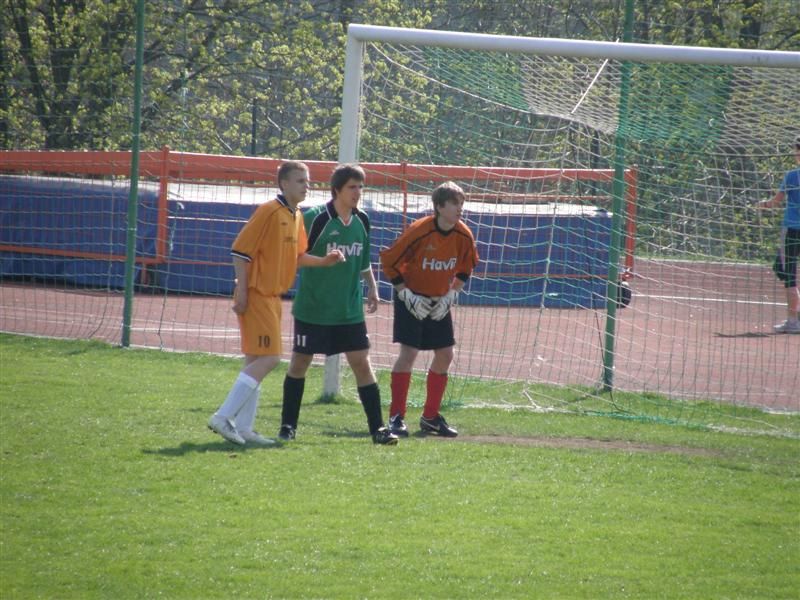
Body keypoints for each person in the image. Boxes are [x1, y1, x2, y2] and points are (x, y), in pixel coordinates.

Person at [208, 161, 345, 446]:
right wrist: (242, 290)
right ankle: (222, 416)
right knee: (271, 359)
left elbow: (298, 257)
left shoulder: (296, 216)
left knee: (254, 360)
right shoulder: (269, 211)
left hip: (273, 297)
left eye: (308, 181)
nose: (306, 186)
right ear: (283, 184)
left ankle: (244, 428)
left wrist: (324, 261)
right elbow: (240, 251)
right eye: (300, 181)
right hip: (258, 294)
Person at [278, 164, 398, 445]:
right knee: (300, 363)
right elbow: (294, 257)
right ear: (337, 190)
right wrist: (323, 261)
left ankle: (378, 429)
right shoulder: (315, 218)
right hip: (314, 308)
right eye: (352, 187)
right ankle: (287, 426)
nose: (358, 192)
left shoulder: (362, 220)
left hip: (349, 310)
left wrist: (372, 286)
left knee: (362, 364)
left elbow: (363, 260)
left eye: (361, 187)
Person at [380, 181, 479, 438]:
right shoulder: (419, 231)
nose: (460, 208)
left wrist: (452, 294)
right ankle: (396, 417)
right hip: (411, 297)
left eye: (462, 203)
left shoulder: (463, 234)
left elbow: (467, 266)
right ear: (439, 206)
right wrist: (405, 293)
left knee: (445, 354)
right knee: (409, 353)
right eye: (454, 203)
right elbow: (389, 262)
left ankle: (431, 418)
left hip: (439, 299)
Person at [758, 136, 800, 334]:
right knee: (783, 269)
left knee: (787, 275)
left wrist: (763, 204)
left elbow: (776, 201)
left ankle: (793, 321)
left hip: (792, 229)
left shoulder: (792, 176)